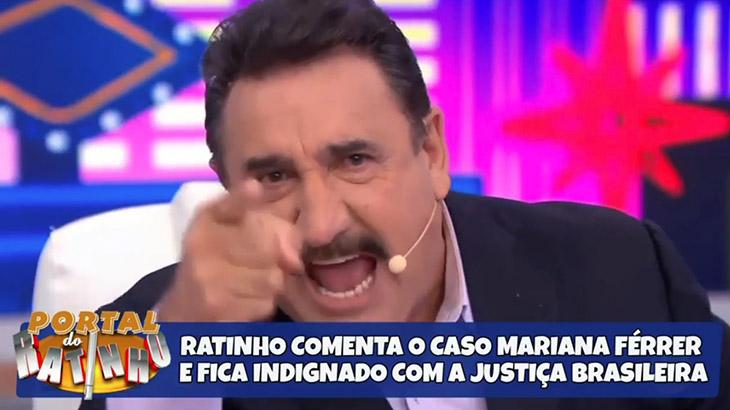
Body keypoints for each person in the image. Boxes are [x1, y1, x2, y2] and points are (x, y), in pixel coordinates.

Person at [81, 0, 730, 409]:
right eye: (274, 177)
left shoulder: (622, 267)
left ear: (432, 151)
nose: (322, 225)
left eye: (355, 161)